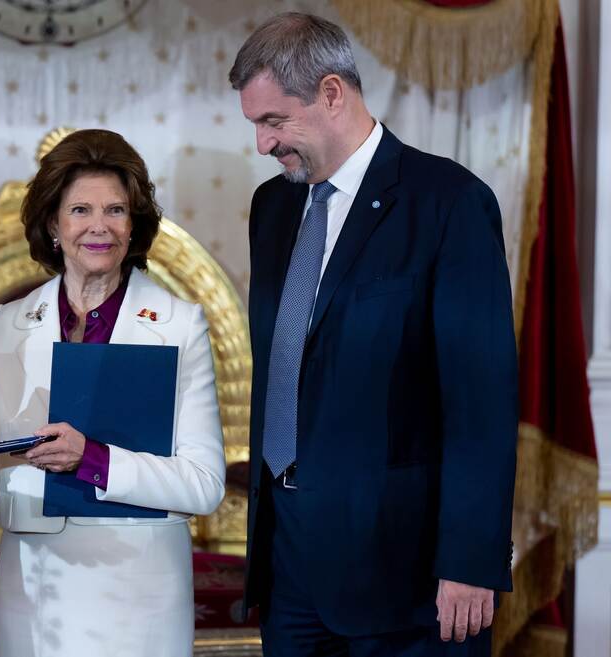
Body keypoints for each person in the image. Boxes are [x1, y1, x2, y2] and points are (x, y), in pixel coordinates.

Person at [230, 12, 518, 657]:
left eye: (274, 121)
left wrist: (471, 558)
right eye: (255, 124)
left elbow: (481, 400)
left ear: (332, 93)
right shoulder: (272, 208)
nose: (263, 145)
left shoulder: (447, 202)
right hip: (291, 565)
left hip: (405, 577)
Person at [0, 128, 226, 656]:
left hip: (140, 590)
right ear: (53, 225)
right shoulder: (8, 323)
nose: (99, 227)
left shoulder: (180, 325)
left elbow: (203, 486)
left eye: (116, 211)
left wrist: (90, 459)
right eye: (80, 210)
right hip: (32, 591)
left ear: (134, 227)